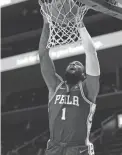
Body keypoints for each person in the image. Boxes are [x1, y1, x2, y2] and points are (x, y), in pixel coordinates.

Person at [38, 12, 100, 155]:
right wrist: (47, 23)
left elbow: (91, 53)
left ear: (84, 75)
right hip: (54, 147)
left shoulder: (88, 89)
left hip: (78, 148)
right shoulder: (55, 86)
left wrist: (80, 24)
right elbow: (43, 55)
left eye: (78, 64)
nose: (73, 63)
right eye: (71, 64)